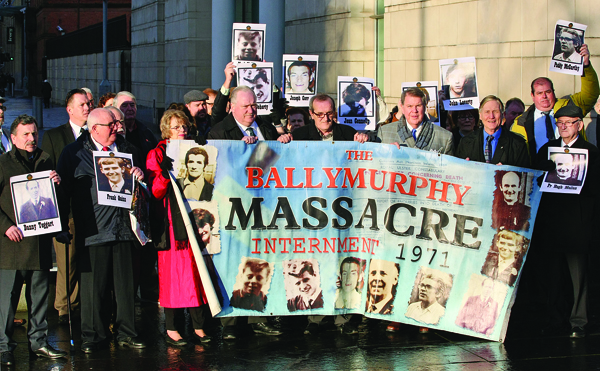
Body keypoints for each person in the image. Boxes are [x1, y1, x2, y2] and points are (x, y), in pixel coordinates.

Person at [57, 108, 146, 353]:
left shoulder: (128, 150)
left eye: (117, 123)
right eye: (111, 124)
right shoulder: (75, 153)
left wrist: (140, 174)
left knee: (126, 285)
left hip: (125, 228)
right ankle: (93, 335)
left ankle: (127, 332)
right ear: (94, 128)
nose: (116, 127)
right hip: (93, 229)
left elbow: (143, 186)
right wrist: (61, 226)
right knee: (93, 287)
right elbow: (63, 192)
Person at [0, 115, 67, 366]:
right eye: (26, 134)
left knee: (39, 297)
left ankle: (38, 342)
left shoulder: (45, 160)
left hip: (39, 242)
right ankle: (3, 345)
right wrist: (6, 227)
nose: (31, 138)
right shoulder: (3, 164)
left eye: (34, 133)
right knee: (7, 298)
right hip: (11, 246)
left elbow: (53, 203)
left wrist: (56, 185)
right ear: (14, 137)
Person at [146, 109, 212, 345]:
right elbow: (155, 191)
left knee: (196, 274)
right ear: (166, 130)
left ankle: (199, 326)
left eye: (184, 126)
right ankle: (172, 328)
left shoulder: (195, 148)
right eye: (176, 127)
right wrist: (163, 173)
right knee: (173, 276)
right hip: (172, 224)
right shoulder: (156, 154)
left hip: (196, 218)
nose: (182, 131)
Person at [534, 105, 599, 338]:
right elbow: (535, 182)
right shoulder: (547, 149)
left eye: (568, 122)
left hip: (577, 224)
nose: (563, 126)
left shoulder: (590, 152)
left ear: (579, 125)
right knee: (553, 275)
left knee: (578, 276)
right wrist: (544, 171)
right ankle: (555, 320)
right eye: (559, 122)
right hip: (551, 223)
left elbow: (595, 189)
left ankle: (578, 322)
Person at [40, 88, 90, 325]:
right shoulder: (53, 136)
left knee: (85, 260)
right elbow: (45, 171)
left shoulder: (95, 134)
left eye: (88, 104)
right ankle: (63, 309)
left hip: (91, 210)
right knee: (66, 263)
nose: (87, 108)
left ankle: (80, 305)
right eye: (82, 105)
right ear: (69, 109)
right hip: (66, 209)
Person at [510, 43, 598, 159]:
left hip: (573, 168)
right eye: (539, 93)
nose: (544, 96)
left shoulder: (570, 105)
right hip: (540, 172)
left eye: (548, 92)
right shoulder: (519, 123)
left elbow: (591, 94)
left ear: (553, 92)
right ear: (532, 95)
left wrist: (586, 66)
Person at [456, 95, 529, 167]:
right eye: (487, 112)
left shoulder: (518, 144)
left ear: (502, 115)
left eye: (495, 111)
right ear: (480, 115)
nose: (491, 116)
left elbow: (524, 175)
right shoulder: (466, 143)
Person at [377, 87, 454, 154]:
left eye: (418, 106)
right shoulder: (384, 133)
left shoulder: (445, 137)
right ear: (402, 108)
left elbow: (449, 169)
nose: (414, 110)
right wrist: (386, 155)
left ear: (424, 107)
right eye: (409, 106)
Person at [208, 85, 292, 143]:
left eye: (253, 105)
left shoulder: (268, 128)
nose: (251, 111)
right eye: (245, 106)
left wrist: (279, 144)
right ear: (232, 106)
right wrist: (238, 147)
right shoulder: (218, 133)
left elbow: (275, 158)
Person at [292, 94, 368, 142]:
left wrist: (362, 142)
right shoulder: (298, 136)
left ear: (334, 111)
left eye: (329, 113)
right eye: (320, 114)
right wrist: (282, 142)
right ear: (311, 114)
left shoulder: (348, 133)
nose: (326, 118)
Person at [112, 91, 158, 171]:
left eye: (132, 105)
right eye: (125, 105)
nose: (129, 108)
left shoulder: (146, 133)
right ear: (116, 108)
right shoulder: (112, 134)